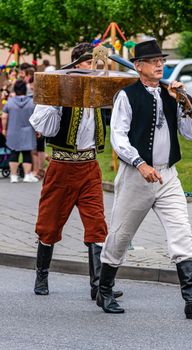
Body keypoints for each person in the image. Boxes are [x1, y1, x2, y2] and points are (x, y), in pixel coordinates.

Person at [96, 39, 192, 319]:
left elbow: (190, 133)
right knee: (120, 235)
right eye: (154, 61)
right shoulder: (127, 96)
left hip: (167, 175)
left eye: (162, 60)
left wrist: (188, 104)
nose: (160, 64)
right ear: (139, 67)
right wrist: (139, 164)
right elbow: (118, 136)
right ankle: (104, 290)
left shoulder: (170, 95)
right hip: (136, 176)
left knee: (182, 232)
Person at [29, 42, 122, 300]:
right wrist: (56, 97)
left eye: (96, 62)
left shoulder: (99, 92)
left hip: (90, 167)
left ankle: (98, 286)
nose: (94, 66)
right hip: (62, 166)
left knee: (97, 227)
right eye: (88, 62)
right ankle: (42, 274)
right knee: (49, 225)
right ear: (76, 65)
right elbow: (43, 126)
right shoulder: (61, 88)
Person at [1, 79, 38, 183]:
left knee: (14, 152)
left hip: (13, 130)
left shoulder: (10, 102)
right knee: (27, 153)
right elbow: (36, 117)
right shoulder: (32, 102)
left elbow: (4, 117)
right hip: (28, 130)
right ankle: (27, 176)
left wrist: (4, 129)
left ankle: (13, 176)